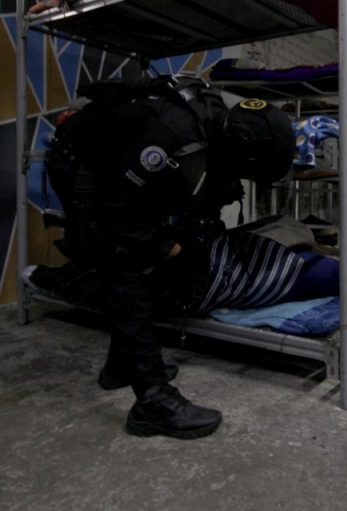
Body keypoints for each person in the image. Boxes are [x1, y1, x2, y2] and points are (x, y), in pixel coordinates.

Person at [46, 76, 295, 439]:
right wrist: (165, 246)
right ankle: (152, 402)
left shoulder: (219, 129)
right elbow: (114, 211)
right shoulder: (172, 134)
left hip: (118, 170)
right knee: (125, 263)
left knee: (157, 259)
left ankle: (121, 366)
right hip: (79, 166)